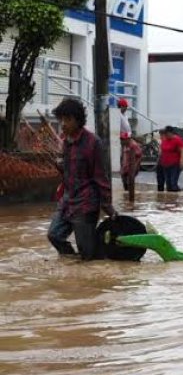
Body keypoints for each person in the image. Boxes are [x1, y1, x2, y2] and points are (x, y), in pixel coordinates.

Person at [47, 98, 118, 260]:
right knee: (54, 235)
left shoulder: (93, 143)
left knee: (87, 253)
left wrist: (107, 206)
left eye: (68, 119)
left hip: (86, 203)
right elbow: (69, 173)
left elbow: (101, 177)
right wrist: (60, 167)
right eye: (61, 119)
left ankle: (88, 276)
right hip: (67, 201)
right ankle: (71, 263)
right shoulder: (66, 143)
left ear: (78, 120)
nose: (63, 124)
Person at [157, 126, 183, 192]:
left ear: (170, 133)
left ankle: (177, 197)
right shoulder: (164, 140)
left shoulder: (177, 139)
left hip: (175, 164)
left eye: (166, 133)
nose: (165, 135)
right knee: (168, 184)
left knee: (173, 183)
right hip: (165, 164)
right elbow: (162, 149)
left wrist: (182, 160)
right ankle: (170, 200)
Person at [120, 132, 142, 202]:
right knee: (125, 184)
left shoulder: (133, 145)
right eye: (121, 139)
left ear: (128, 139)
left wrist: (135, 167)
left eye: (123, 139)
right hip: (125, 168)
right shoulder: (124, 146)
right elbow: (123, 157)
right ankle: (127, 200)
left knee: (130, 184)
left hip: (131, 169)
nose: (122, 141)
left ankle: (130, 201)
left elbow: (139, 157)